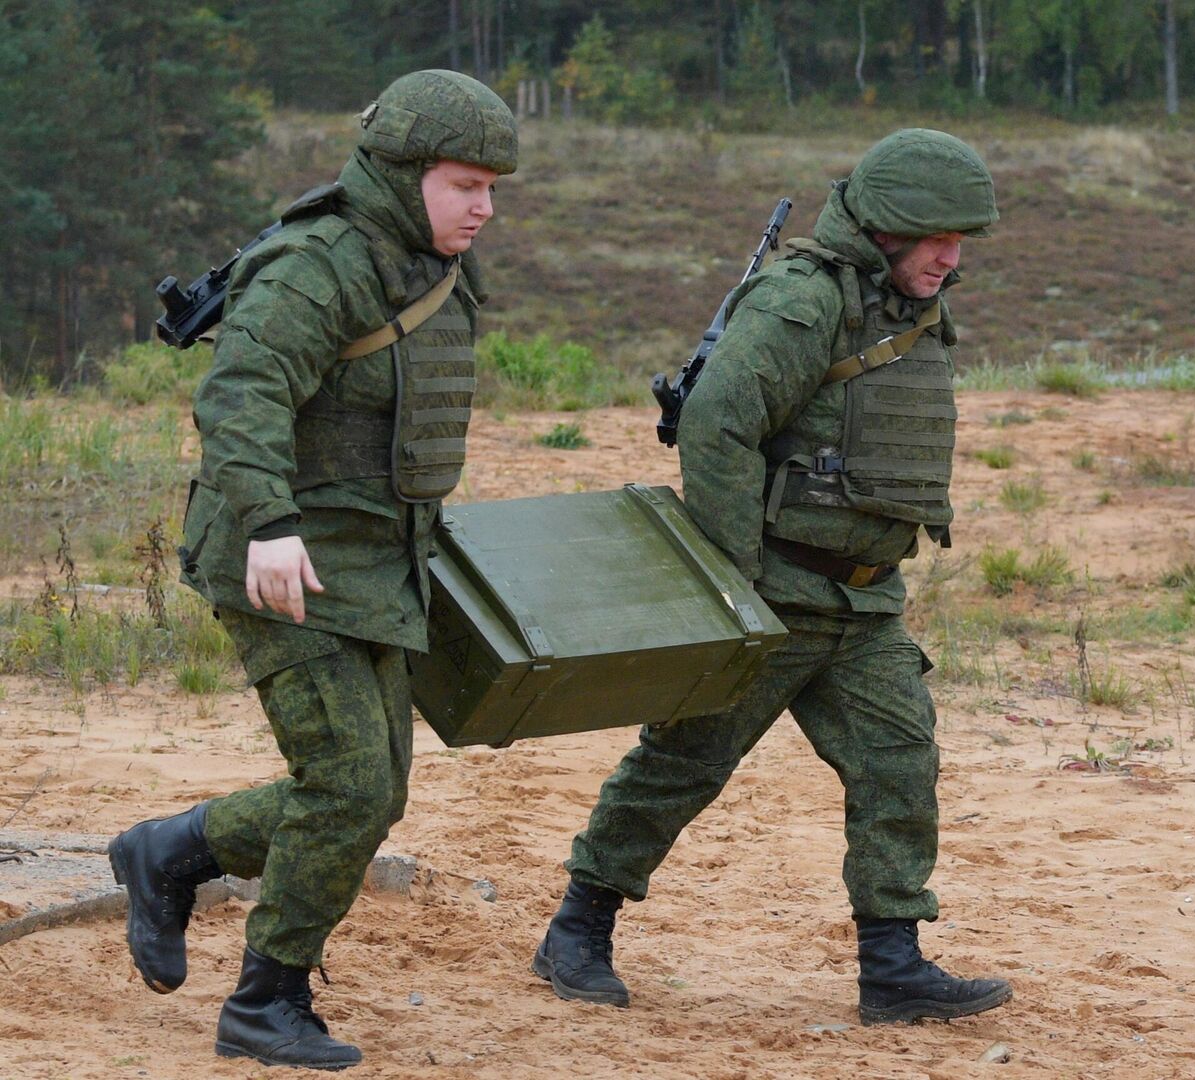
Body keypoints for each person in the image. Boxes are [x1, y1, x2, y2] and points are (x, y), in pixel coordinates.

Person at [533, 129, 1011, 1026]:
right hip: (775, 591)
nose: (952, 255)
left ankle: (893, 964)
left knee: (899, 767)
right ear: (886, 230)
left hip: (864, 601)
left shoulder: (907, 304)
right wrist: (734, 586)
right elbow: (718, 427)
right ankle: (577, 928)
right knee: (684, 763)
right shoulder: (802, 301)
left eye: (963, 239)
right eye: (937, 236)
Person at [106, 69, 516, 1070]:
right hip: (273, 561)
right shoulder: (317, 266)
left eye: (493, 187)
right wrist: (271, 522)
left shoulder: (425, 269)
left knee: (372, 796)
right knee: (344, 784)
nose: (485, 206)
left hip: (374, 571)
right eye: (465, 183)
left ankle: (172, 851)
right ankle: (266, 999)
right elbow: (241, 397)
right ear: (406, 171)